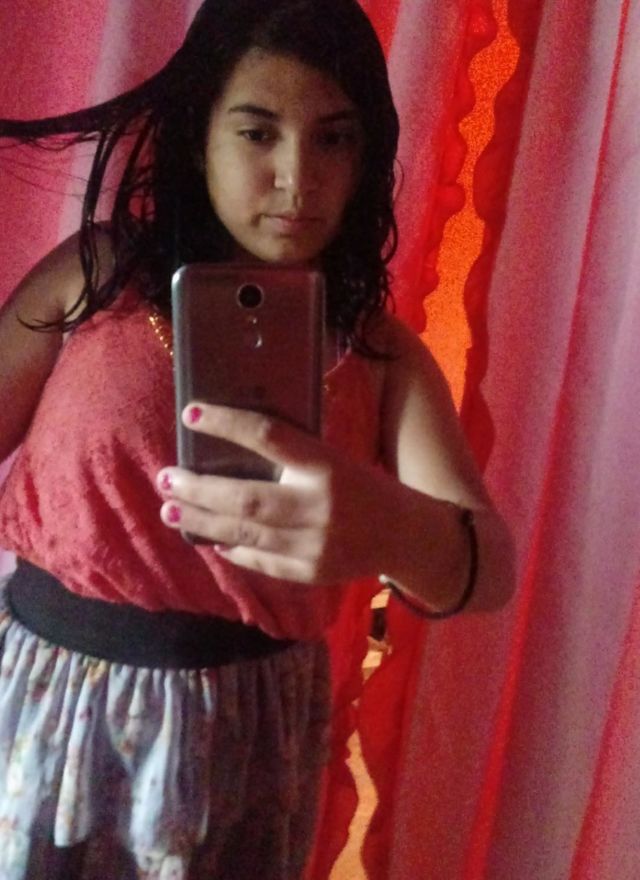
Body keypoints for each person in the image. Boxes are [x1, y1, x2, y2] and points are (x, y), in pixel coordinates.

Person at [0, 0, 515, 877]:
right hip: (41, 715)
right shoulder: (97, 277)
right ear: (198, 136)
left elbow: (490, 569)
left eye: (333, 139)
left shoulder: (377, 353)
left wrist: (389, 529)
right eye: (258, 132)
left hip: (240, 752)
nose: (297, 178)